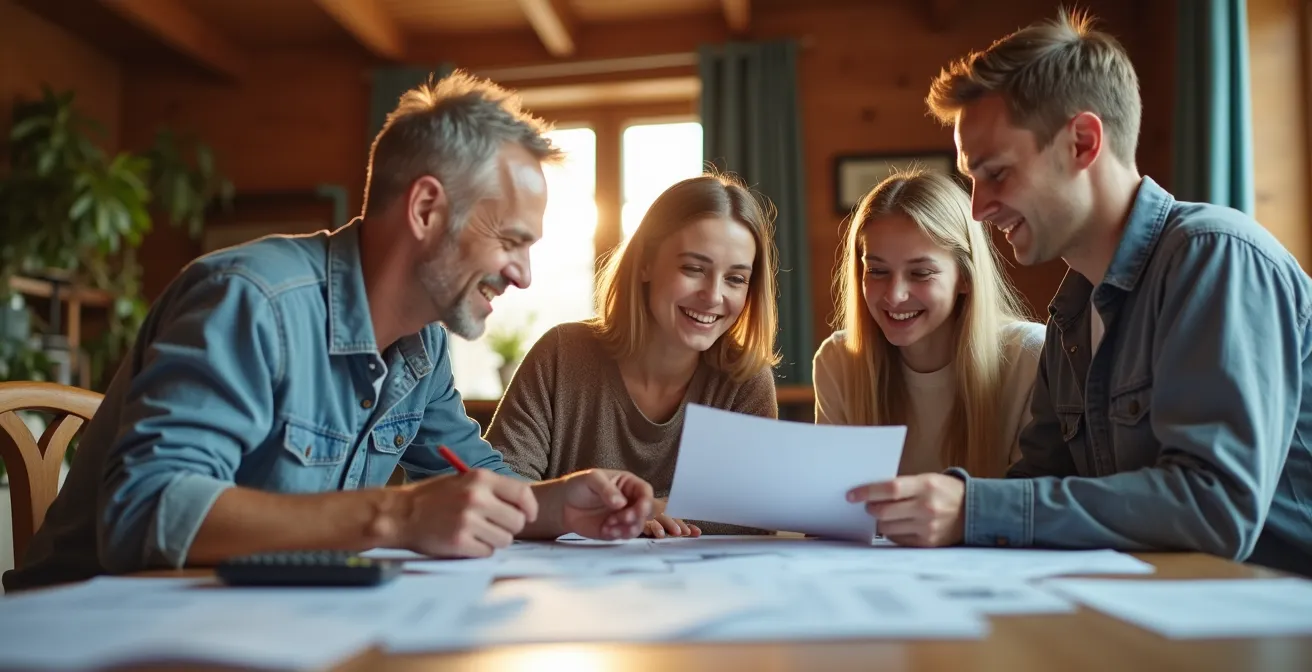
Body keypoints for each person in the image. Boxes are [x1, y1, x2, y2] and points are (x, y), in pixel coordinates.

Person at [3, 71, 656, 592]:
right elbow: (147, 508)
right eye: (511, 240)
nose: (524, 275)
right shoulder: (251, 299)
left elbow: (474, 475)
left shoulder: (422, 346)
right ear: (426, 208)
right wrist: (397, 514)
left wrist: (556, 505)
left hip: (254, 625)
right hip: (93, 631)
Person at [845, 10, 1312, 575]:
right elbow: (1038, 487)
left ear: (1083, 142)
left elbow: (1214, 508)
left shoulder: (1214, 256)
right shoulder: (1072, 312)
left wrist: (974, 508)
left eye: (996, 172)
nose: (978, 208)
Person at [484, 174, 781, 539]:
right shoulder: (561, 354)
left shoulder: (745, 378)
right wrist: (613, 514)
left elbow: (754, 511)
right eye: (694, 269)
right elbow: (500, 484)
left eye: (735, 279)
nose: (713, 296)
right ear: (646, 264)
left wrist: (656, 510)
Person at [813, 169, 1044, 482]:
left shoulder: (1031, 356)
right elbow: (832, 503)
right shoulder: (838, 361)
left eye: (920, 273)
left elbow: (1029, 508)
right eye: (878, 271)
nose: (895, 296)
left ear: (965, 277)